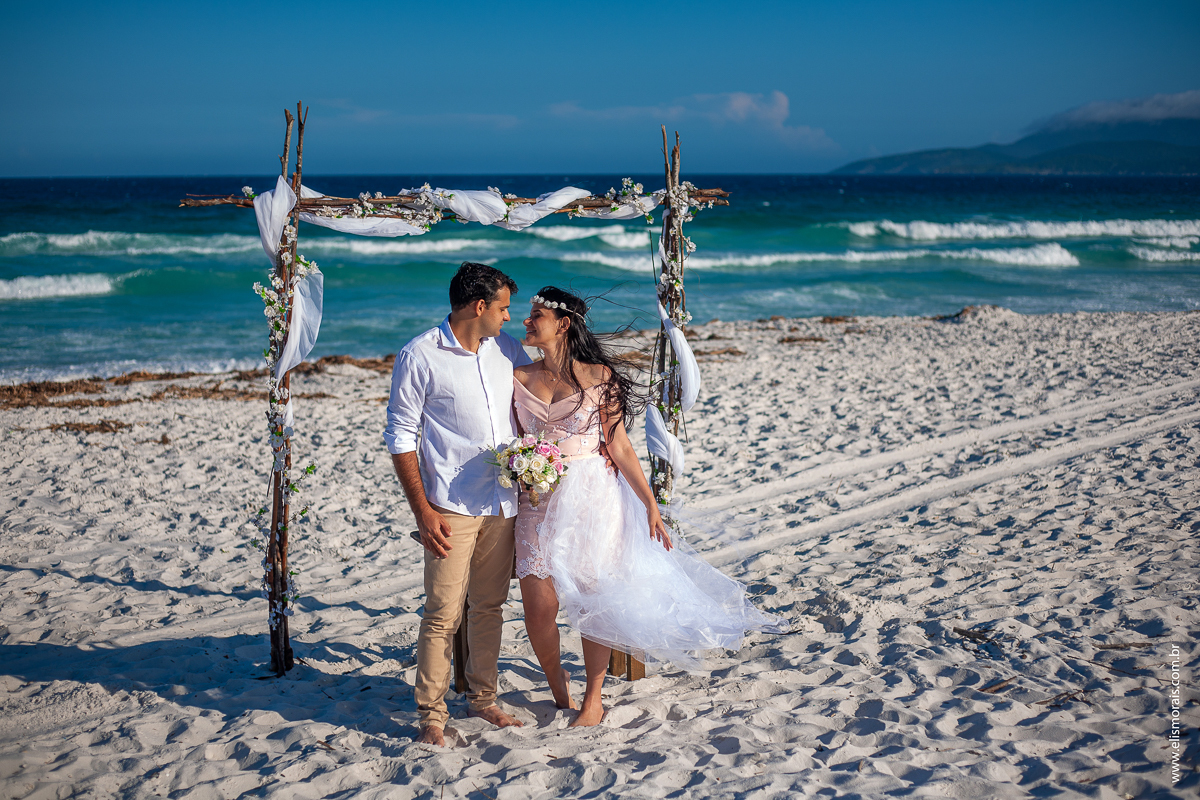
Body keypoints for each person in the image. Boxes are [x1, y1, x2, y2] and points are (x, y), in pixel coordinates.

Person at [512, 286, 789, 727]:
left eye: (536, 315)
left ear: (563, 324)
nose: (526, 321)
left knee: (593, 599)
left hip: (592, 498)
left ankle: (594, 698)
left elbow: (619, 444)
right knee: (538, 607)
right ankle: (556, 682)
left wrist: (650, 505)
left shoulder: (601, 377)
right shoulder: (518, 377)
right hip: (536, 500)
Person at [384, 262, 532, 747]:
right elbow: (401, 437)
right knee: (443, 613)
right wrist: (423, 511)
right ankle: (431, 712)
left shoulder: (504, 350)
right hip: (450, 505)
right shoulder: (419, 355)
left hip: (503, 502)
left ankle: (484, 698)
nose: (510, 317)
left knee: (489, 606)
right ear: (479, 306)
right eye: (505, 307)